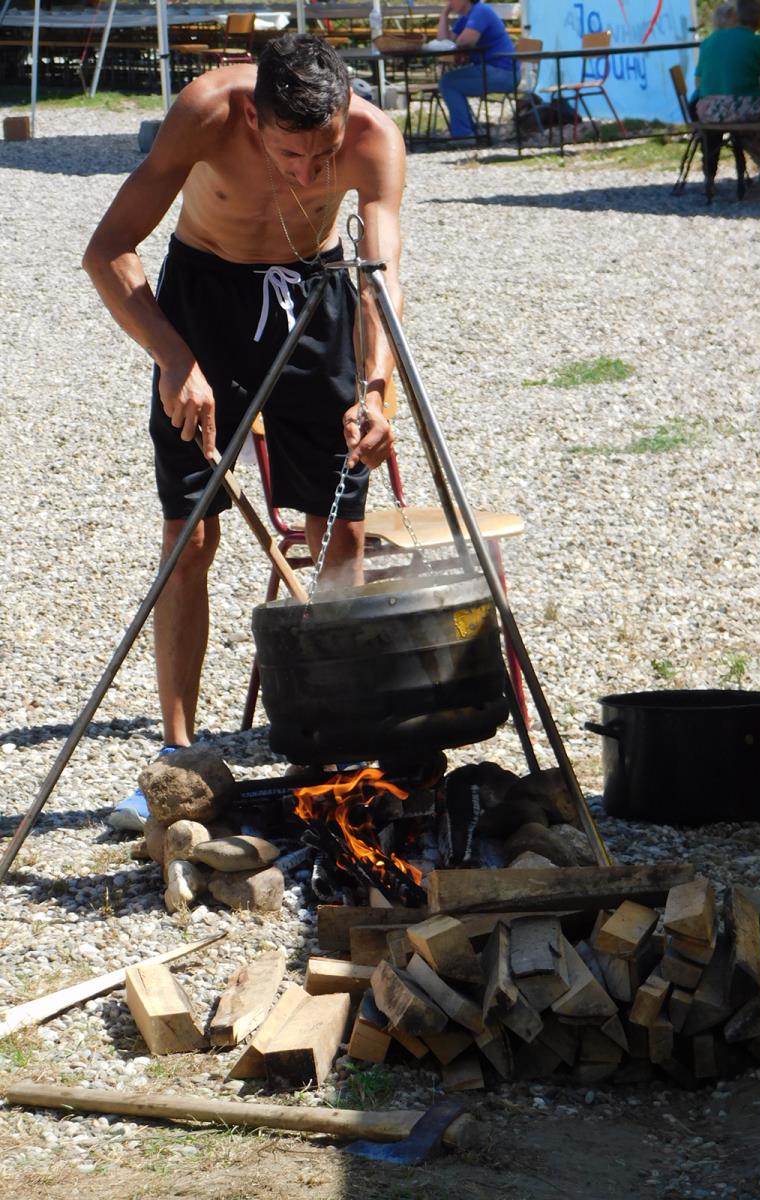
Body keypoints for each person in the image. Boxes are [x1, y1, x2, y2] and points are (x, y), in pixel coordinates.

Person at [83, 34, 405, 759]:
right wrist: (172, 357)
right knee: (191, 533)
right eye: (291, 156)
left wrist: (376, 390)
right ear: (255, 121)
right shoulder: (207, 111)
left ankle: (334, 732)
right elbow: (107, 248)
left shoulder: (374, 137)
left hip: (314, 291)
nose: (307, 172)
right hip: (206, 298)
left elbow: (378, 278)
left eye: (322, 159)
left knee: (342, 525)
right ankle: (179, 750)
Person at [695, 0, 760, 197]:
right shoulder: (759, 43)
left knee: (751, 126)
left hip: (708, 111)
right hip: (742, 109)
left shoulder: (709, 41)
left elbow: (698, 83)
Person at [436, 0, 518, 141]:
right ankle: (466, 131)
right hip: (491, 70)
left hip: (503, 72)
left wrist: (454, 45)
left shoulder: (480, 11)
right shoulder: (466, 18)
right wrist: (444, 15)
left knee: (448, 83)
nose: (449, 2)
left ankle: (464, 135)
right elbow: (443, 43)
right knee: (448, 81)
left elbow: (464, 42)